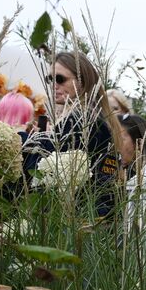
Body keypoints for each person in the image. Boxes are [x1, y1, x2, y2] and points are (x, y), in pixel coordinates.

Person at [25, 51, 120, 214]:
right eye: (50, 79)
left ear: (82, 81)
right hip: (93, 216)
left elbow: (42, 176)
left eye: (60, 79)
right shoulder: (92, 117)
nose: (54, 85)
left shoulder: (79, 122)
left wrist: (34, 140)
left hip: (78, 218)